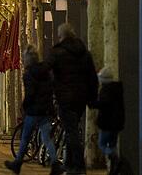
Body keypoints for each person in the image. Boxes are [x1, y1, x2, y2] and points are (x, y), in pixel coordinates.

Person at [47, 23, 97, 174]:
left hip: (65, 97)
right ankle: (69, 164)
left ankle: (79, 165)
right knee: (71, 128)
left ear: (61, 36)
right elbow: (92, 77)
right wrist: (92, 97)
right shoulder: (84, 52)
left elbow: (46, 70)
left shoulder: (57, 52)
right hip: (81, 98)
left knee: (71, 131)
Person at [4, 46, 62, 175]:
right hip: (46, 110)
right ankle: (55, 163)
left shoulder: (29, 74)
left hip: (33, 111)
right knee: (46, 138)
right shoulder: (46, 72)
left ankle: (17, 163)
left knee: (25, 137)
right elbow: (50, 90)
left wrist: (24, 106)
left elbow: (30, 93)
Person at [89, 67, 124, 174]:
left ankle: (115, 157)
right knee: (112, 144)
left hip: (107, 123)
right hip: (117, 123)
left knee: (102, 144)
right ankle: (113, 169)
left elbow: (104, 104)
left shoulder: (106, 90)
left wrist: (93, 104)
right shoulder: (117, 89)